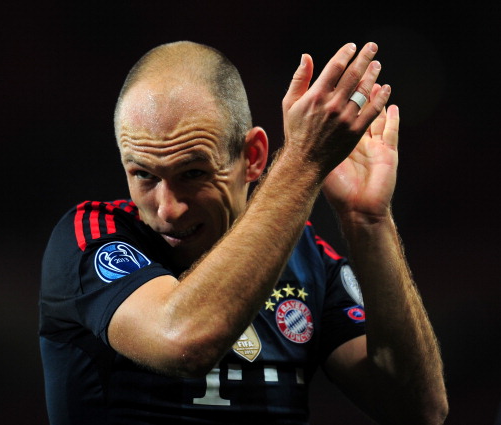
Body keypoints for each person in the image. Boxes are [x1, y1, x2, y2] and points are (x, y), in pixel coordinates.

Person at [39, 40, 448, 424]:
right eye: (143, 174)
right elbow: (184, 342)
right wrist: (303, 161)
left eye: (193, 173)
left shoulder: (307, 257)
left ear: (252, 157)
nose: (167, 209)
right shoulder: (93, 236)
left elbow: (420, 410)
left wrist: (368, 220)